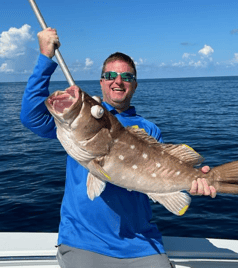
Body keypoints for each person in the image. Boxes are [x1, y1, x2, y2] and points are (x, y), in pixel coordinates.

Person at [20, 28, 216, 268]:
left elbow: (163, 177)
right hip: (83, 242)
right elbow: (31, 116)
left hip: (141, 243)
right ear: (102, 81)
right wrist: (45, 58)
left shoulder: (149, 129)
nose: (118, 81)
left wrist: (194, 182)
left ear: (135, 85)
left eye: (127, 77)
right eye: (110, 75)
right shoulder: (72, 125)